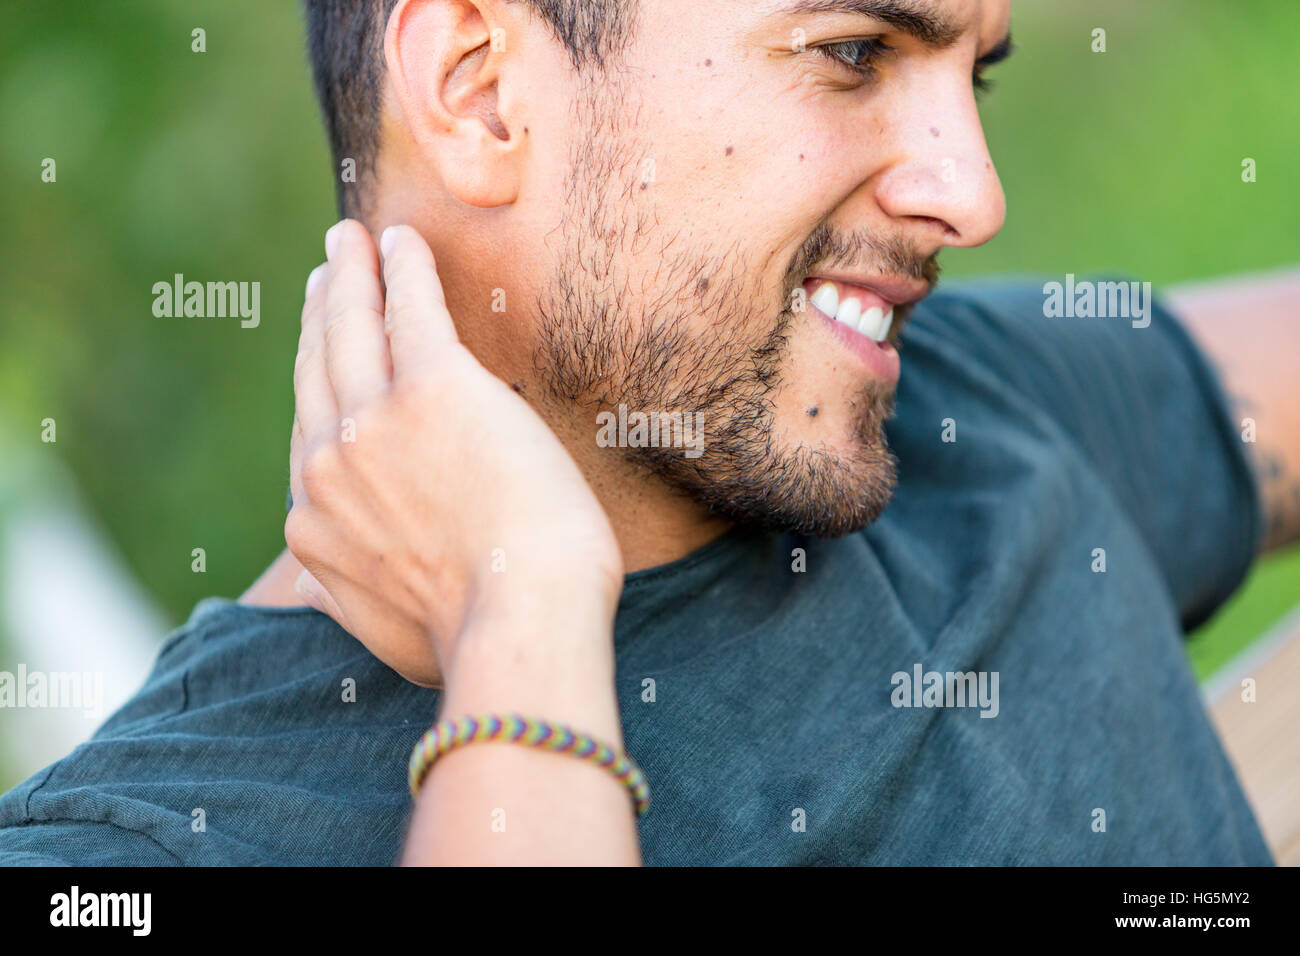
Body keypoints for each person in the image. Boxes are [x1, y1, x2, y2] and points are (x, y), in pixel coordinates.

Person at [1, 0, 1295, 866]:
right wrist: (525, 625)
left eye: (977, 80)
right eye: (854, 52)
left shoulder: (966, 420)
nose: (973, 193)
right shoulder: (137, 851)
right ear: (480, 90)